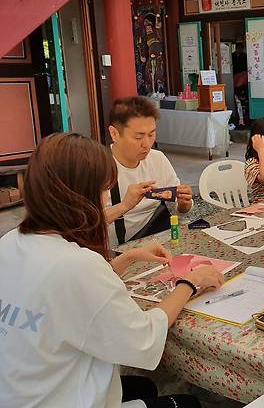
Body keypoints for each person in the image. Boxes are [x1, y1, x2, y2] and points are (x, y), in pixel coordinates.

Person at [0, 133, 223, 408]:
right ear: (78, 196)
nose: (106, 197)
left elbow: (69, 295)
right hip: (57, 397)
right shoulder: (77, 266)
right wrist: (189, 283)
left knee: (142, 386)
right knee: (188, 403)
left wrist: (127, 258)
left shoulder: (10, 242)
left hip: (24, 390)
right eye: (103, 190)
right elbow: (143, 339)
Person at [104, 96, 194, 246]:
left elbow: (179, 210)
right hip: (118, 252)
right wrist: (125, 205)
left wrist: (184, 204)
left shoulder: (157, 159)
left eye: (151, 134)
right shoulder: (99, 167)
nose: (146, 144)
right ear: (114, 134)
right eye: (138, 136)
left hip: (159, 241)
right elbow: (86, 225)